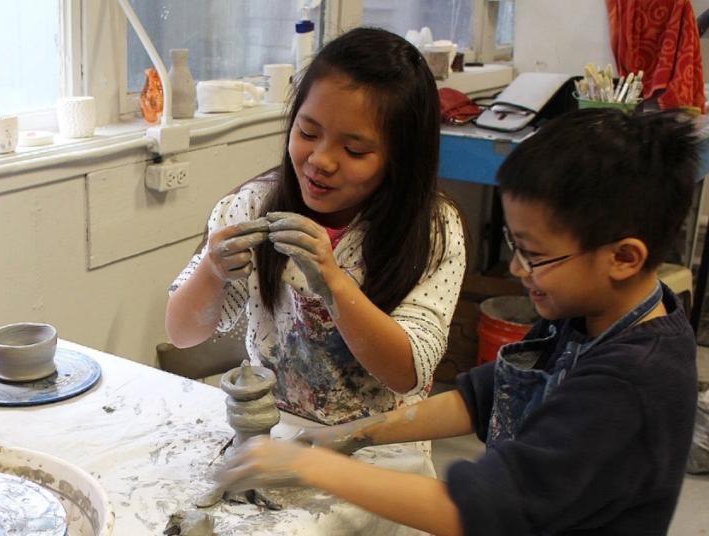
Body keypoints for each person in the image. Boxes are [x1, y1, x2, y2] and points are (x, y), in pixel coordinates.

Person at [214, 108, 701, 536]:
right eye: (515, 247)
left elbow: (476, 511)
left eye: (534, 255)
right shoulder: (590, 317)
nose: (515, 269)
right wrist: (352, 434)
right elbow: (490, 395)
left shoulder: (629, 386)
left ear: (623, 257)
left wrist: (307, 464)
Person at [166, 26, 465, 439]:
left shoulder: (431, 230)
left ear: (402, 157)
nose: (320, 160)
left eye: (355, 150)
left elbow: (406, 374)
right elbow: (182, 333)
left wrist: (333, 284)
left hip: (382, 439)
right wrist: (212, 273)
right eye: (308, 133)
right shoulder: (253, 206)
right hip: (274, 428)